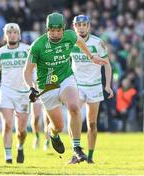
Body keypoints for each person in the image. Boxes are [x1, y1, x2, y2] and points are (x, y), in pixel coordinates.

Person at [24, 12, 107, 163]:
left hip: (66, 78)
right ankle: (53, 134)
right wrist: (31, 87)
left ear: (63, 29)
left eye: (58, 30)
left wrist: (91, 57)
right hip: (47, 86)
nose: (55, 34)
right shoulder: (38, 45)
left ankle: (76, 148)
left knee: (74, 107)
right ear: (47, 29)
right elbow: (27, 71)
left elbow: (80, 41)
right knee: (58, 126)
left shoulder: (70, 36)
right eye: (52, 30)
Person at [71, 15, 113, 163]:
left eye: (84, 24)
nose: (81, 27)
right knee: (74, 114)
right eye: (78, 25)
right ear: (74, 26)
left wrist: (107, 85)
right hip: (77, 85)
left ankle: (90, 157)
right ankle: (75, 153)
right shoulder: (70, 41)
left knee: (92, 123)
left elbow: (107, 64)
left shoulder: (97, 42)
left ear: (88, 26)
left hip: (94, 86)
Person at [0, 23, 30, 164]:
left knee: (21, 130)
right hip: (6, 91)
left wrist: (35, 87)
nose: (12, 35)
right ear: (5, 36)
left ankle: (20, 147)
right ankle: (8, 157)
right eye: (9, 33)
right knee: (7, 124)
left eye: (14, 32)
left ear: (19, 34)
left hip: (24, 93)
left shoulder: (27, 50)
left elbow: (35, 69)